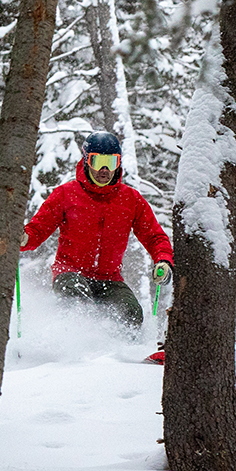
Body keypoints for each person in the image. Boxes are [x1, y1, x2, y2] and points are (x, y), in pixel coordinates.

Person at [20, 131, 173, 329]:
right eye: (97, 161)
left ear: (118, 164)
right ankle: (69, 349)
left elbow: (154, 236)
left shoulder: (131, 199)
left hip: (109, 279)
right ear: (86, 161)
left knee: (131, 313)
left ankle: (120, 355)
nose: (104, 169)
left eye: (111, 163)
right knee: (77, 300)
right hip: (70, 272)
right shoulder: (66, 194)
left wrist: (163, 260)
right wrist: (24, 238)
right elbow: (38, 229)